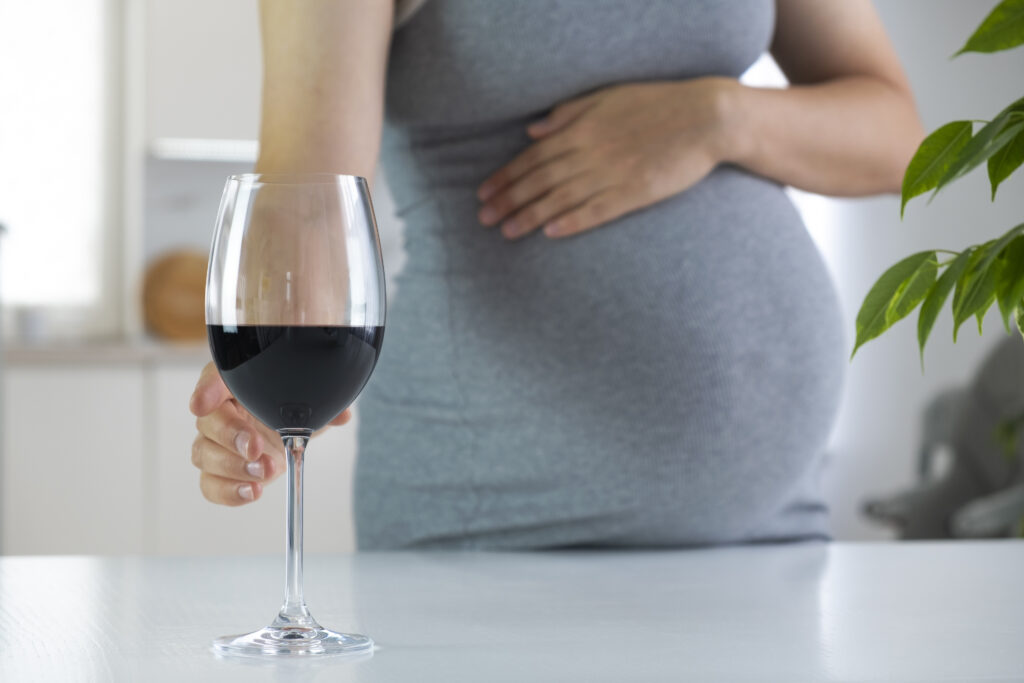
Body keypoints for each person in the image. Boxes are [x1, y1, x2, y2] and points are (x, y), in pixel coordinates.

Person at [189, 0, 923, 549]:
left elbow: (901, 142)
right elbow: (309, 198)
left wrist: (722, 118)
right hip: (502, 530)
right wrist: (266, 384)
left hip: (777, 532)